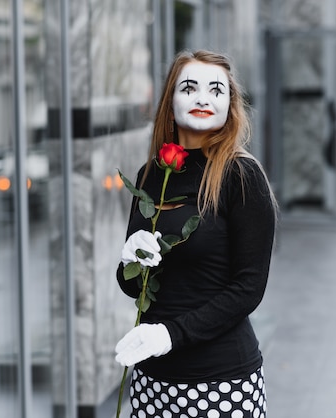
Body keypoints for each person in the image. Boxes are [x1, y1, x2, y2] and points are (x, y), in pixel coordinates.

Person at [115, 49, 277, 418]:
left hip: (219, 382)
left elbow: (248, 289)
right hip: (152, 379)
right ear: (170, 102)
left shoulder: (242, 177)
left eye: (216, 90)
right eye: (190, 88)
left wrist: (169, 335)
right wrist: (131, 262)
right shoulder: (151, 175)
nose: (203, 98)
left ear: (229, 105)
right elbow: (132, 287)